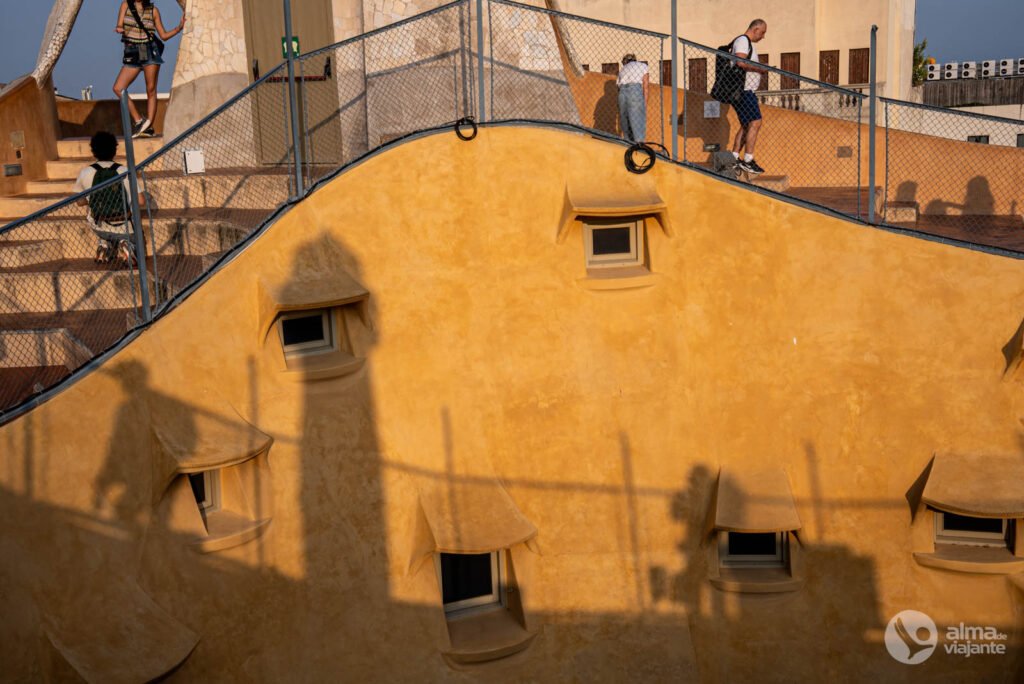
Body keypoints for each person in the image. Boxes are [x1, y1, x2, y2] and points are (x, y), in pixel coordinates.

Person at [112, 1, 185, 138]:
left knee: (150, 89)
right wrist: (119, 28)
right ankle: (139, 120)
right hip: (132, 51)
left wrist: (179, 27)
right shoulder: (125, 5)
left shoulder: (154, 11)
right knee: (118, 88)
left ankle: (149, 126)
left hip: (149, 50)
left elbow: (163, 35)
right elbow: (120, 23)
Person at [73, 132, 146, 264]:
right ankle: (127, 244)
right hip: (126, 226)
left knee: (90, 209)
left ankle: (104, 245)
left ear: (93, 151)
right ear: (114, 150)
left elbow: (79, 202)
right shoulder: (125, 171)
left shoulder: (85, 172)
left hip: (100, 226)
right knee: (131, 212)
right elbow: (141, 201)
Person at [730, 19, 769, 175]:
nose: (763, 36)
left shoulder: (746, 43)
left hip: (747, 90)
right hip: (744, 90)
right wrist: (759, 69)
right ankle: (748, 160)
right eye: (763, 32)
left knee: (747, 125)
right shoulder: (742, 41)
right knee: (756, 122)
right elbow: (740, 62)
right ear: (756, 29)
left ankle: (734, 156)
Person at [616, 54, 649, 143]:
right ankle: (640, 146)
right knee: (638, 121)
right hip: (635, 90)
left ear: (625, 62)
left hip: (622, 94)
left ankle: (628, 145)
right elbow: (645, 86)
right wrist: (645, 103)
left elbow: (618, 88)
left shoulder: (622, 69)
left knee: (625, 122)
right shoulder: (642, 66)